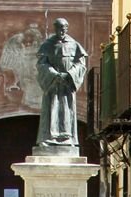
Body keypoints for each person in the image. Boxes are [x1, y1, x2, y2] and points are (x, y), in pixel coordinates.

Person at [35, 17, 88, 147]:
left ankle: (67, 138)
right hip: (52, 84)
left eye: (64, 29)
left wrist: (69, 75)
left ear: (67, 28)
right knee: (50, 108)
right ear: (55, 29)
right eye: (59, 29)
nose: (62, 31)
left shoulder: (74, 45)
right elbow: (41, 64)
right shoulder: (48, 45)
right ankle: (48, 137)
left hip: (67, 84)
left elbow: (81, 64)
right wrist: (53, 74)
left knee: (67, 110)